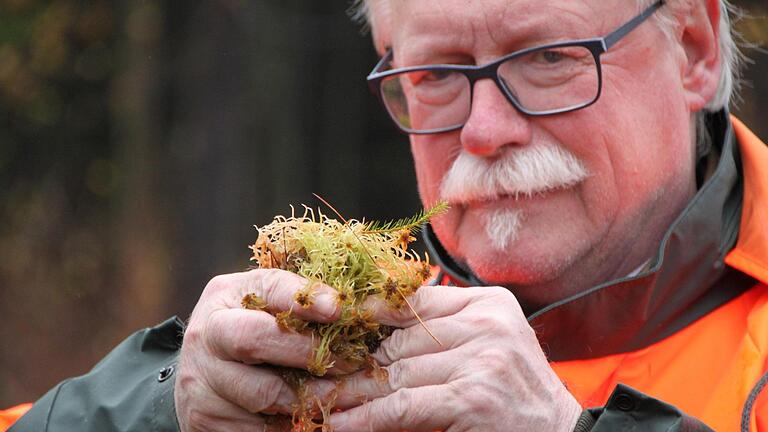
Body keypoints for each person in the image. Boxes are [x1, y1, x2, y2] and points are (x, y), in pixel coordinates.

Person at [5, 0, 768, 430]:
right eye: (436, 74)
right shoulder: (331, 333)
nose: (484, 131)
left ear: (695, 49)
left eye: (547, 59)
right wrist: (161, 409)